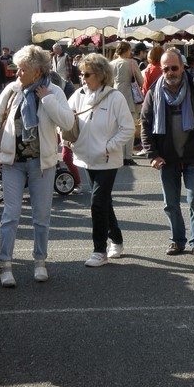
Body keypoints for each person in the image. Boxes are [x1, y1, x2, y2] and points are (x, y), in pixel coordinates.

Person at [0, 44, 74, 287]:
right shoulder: (12, 90)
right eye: (18, 68)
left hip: (42, 163)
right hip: (13, 162)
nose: (17, 73)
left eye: (23, 69)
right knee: (10, 215)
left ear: (37, 71)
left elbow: (67, 122)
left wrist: (47, 100)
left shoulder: (54, 91)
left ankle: (40, 262)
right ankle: (5, 265)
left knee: (41, 216)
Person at [140, 49, 194, 261]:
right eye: (165, 69)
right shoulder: (153, 93)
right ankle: (177, 240)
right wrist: (152, 155)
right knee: (170, 203)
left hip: (193, 155)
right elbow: (146, 126)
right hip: (166, 158)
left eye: (174, 68)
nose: (169, 72)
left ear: (183, 67)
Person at [68, 53, 135, 267]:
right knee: (104, 202)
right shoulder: (78, 94)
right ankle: (117, 239)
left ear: (101, 74)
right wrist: (67, 140)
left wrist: (108, 147)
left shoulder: (115, 98)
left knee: (97, 203)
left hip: (107, 160)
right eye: (81, 73)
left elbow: (128, 129)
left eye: (87, 74)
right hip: (85, 158)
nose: (83, 77)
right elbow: (67, 119)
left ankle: (99, 250)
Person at [110, 41, 144, 166]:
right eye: (130, 50)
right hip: (129, 100)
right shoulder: (132, 63)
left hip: (114, 98)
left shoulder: (111, 64)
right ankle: (127, 156)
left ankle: (118, 154)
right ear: (126, 50)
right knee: (129, 128)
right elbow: (141, 81)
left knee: (117, 128)